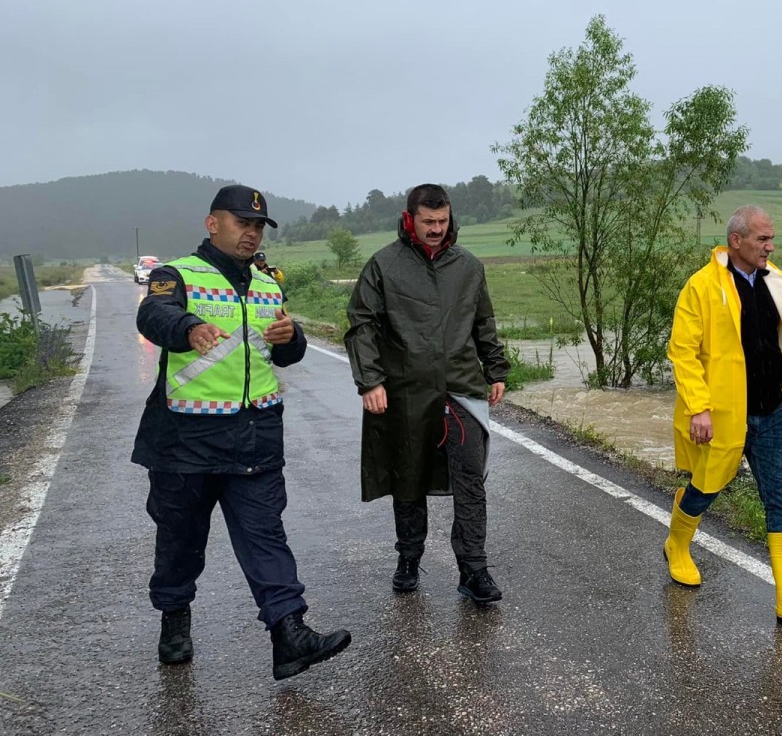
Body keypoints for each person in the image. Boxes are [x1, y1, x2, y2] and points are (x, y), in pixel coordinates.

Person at [134, 184, 351, 679]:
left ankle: (289, 633)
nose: (251, 232)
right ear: (213, 224)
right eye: (241, 223)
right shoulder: (177, 275)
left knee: (265, 535)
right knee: (180, 541)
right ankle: (174, 617)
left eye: (257, 225)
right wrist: (188, 328)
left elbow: (283, 353)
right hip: (185, 441)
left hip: (255, 433)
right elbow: (154, 314)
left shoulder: (269, 282)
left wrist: (291, 337)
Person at [664, 205, 782, 630]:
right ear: (737, 241)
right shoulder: (701, 286)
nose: (770, 246)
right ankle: (677, 545)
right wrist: (699, 407)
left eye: (772, 239)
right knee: (706, 489)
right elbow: (682, 351)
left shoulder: (777, 282)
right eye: (762, 239)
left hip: (771, 411)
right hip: (723, 415)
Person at [344, 183, 510, 604]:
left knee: (471, 479)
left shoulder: (468, 267)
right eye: (428, 221)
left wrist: (496, 369)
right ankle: (408, 558)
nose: (437, 228)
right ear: (410, 219)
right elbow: (362, 323)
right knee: (409, 478)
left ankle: (474, 569)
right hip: (405, 390)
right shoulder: (383, 265)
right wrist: (371, 380)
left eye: (443, 220)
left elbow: (484, 322)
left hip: (461, 389)